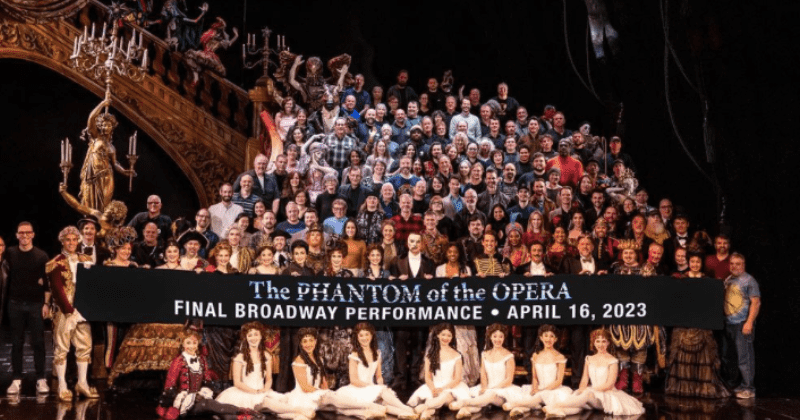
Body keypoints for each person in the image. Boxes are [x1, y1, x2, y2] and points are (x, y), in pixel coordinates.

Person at [156, 328, 264, 420]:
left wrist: (203, 390)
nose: (192, 346)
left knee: (216, 409)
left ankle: (246, 417)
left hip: (199, 399)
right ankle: (246, 411)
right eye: (188, 343)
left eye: (194, 343)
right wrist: (173, 405)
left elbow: (206, 380)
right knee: (209, 405)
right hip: (184, 403)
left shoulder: (201, 360)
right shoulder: (178, 362)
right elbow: (169, 386)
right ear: (183, 345)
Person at [665, 253, 730, 398]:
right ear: (688, 263)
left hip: (701, 325)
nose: (695, 264)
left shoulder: (707, 281)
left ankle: (702, 388)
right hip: (684, 325)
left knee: (704, 357)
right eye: (692, 262)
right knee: (682, 356)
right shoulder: (680, 280)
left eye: (697, 262)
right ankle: (685, 388)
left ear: (701, 264)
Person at [541, 329, 644, 417]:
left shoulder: (613, 361)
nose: (600, 344)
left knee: (586, 395)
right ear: (594, 343)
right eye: (598, 341)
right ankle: (558, 412)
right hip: (591, 393)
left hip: (605, 396)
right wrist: (581, 389)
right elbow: (584, 379)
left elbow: (609, 384)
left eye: (603, 341)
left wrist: (591, 390)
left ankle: (556, 405)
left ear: (608, 343)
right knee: (579, 403)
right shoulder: (589, 359)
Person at [216, 322, 310, 418]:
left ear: (261, 336)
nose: (253, 338)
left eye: (256, 334)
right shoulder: (240, 358)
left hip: (261, 391)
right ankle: (299, 410)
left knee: (278, 401)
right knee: (267, 403)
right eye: (250, 335)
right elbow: (237, 383)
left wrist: (265, 389)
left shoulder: (266, 356)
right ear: (246, 338)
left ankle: (297, 415)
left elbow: (269, 379)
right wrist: (255, 392)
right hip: (245, 393)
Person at [47, 226, 98, 401]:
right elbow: (57, 289)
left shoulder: (86, 258)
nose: (71, 243)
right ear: (62, 241)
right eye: (67, 240)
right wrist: (68, 310)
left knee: (85, 345)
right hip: (65, 308)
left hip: (83, 306)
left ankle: (82, 383)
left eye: (74, 239)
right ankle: (62, 384)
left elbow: (92, 284)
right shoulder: (55, 262)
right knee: (62, 347)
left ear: (78, 241)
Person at [332, 323, 416, 420]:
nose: (364, 338)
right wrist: (371, 387)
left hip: (370, 388)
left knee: (384, 401)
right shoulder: (354, 355)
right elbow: (354, 380)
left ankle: (404, 413)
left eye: (367, 334)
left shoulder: (376, 353)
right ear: (357, 337)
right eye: (361, 335)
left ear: (371, 335)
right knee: (381, 394)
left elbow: (379, 376)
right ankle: (406, 408)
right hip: (357, 389)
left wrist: (380, 382)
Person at [5, 221, 50, 396]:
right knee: (16, 343)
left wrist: (46, 304)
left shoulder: (41, 256)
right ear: (17, 235)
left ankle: (41, 378)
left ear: (33, 235)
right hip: (14, 303)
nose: (24, 236)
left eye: (27, 233)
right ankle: (16, 379)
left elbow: (47, 283)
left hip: (35, 305)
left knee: (38, 342)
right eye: (21, 233)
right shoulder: (10, 253)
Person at [451, 324, 521, 418]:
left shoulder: (508, 356)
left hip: (503, 391)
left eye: (501, 336)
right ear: (490, 337)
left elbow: (509, 379)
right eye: (495, 336)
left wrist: (492, 389)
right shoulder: (485, 354)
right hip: (487, 388)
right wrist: (484, 387)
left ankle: (464, 403)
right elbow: (483, 374)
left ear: (504, 338)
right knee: (481, 397)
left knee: (490, 395)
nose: (498, 339)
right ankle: (465, 410)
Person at [502, 325, 571, 417]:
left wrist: (542, 390)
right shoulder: (536, 355)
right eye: (546, 336)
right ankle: (520, 409)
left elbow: (558, 381)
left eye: (551, 336)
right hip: (539, 388)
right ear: (541, 338)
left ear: (556, 339)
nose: (548, 339)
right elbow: (534, 376)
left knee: (542, 396)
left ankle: (515, 405)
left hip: (553, 389)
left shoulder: (559, 357)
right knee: (532, 395)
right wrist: (535, 388)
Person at [407, 323, 470, 420]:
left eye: (449, 335)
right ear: (437, 335)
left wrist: (443, 388)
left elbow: (457, 379)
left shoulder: (457, 355)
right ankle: (427, 412)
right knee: (432, 397)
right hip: (435, 386)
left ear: (452, 337)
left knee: (444, 396)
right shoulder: (430, 354)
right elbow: (428, 377)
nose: (446, 338)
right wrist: (433, 388)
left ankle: (425, 407)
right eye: (443, 334)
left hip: (451, 388)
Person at [723, 253, 760, 399]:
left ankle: (749, 388)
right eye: (732, 263)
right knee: (731, 357)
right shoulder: (729, 279)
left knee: (745, 358)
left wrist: (749, 322)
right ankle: (739, 385)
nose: (734, 266)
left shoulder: (749, 280)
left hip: (742, 324)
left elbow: (756, 302)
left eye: (738, 264)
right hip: (729, 323)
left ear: (743, 264)